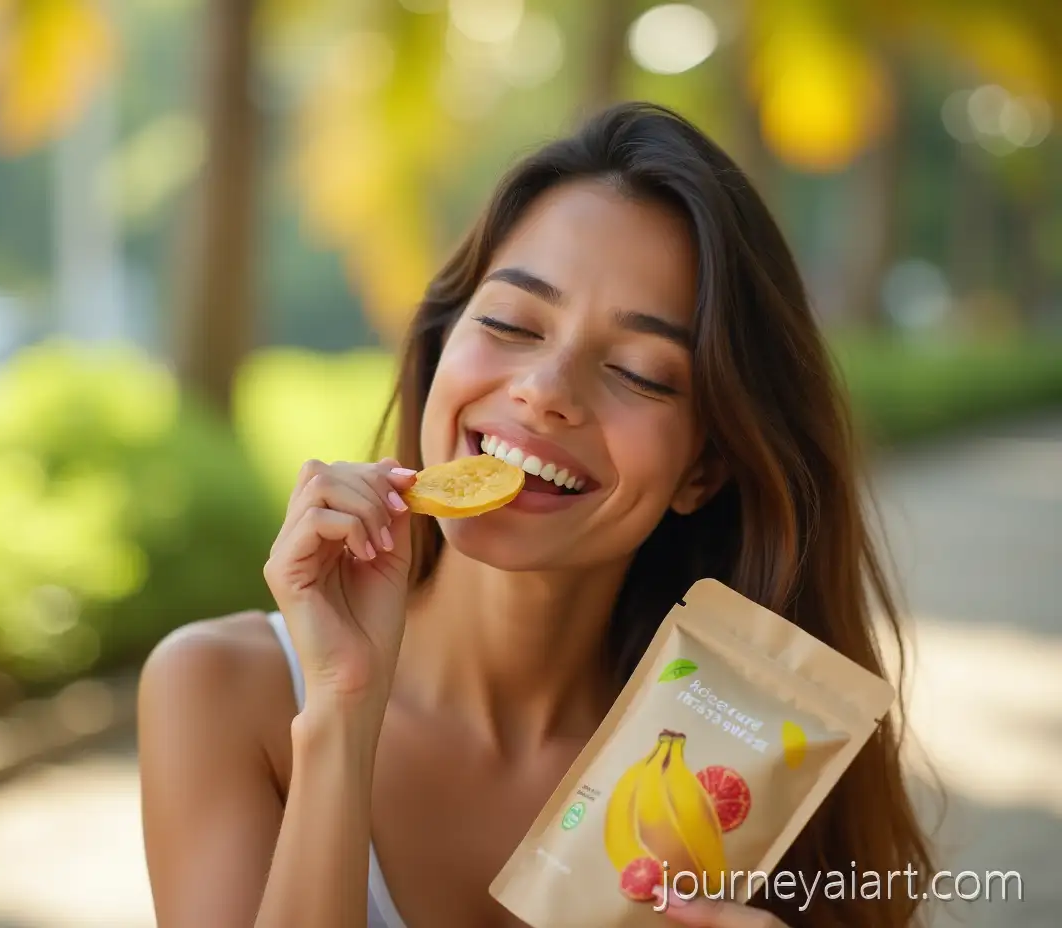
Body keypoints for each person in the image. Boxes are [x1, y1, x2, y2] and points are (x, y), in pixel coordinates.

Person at [137, 101, 934, 928]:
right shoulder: (225, 690)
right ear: (442, 345)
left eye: (638, 372)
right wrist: (342, 709)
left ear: (704, 467)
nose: (545, 392)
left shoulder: (752, 756)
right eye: (512, 323)